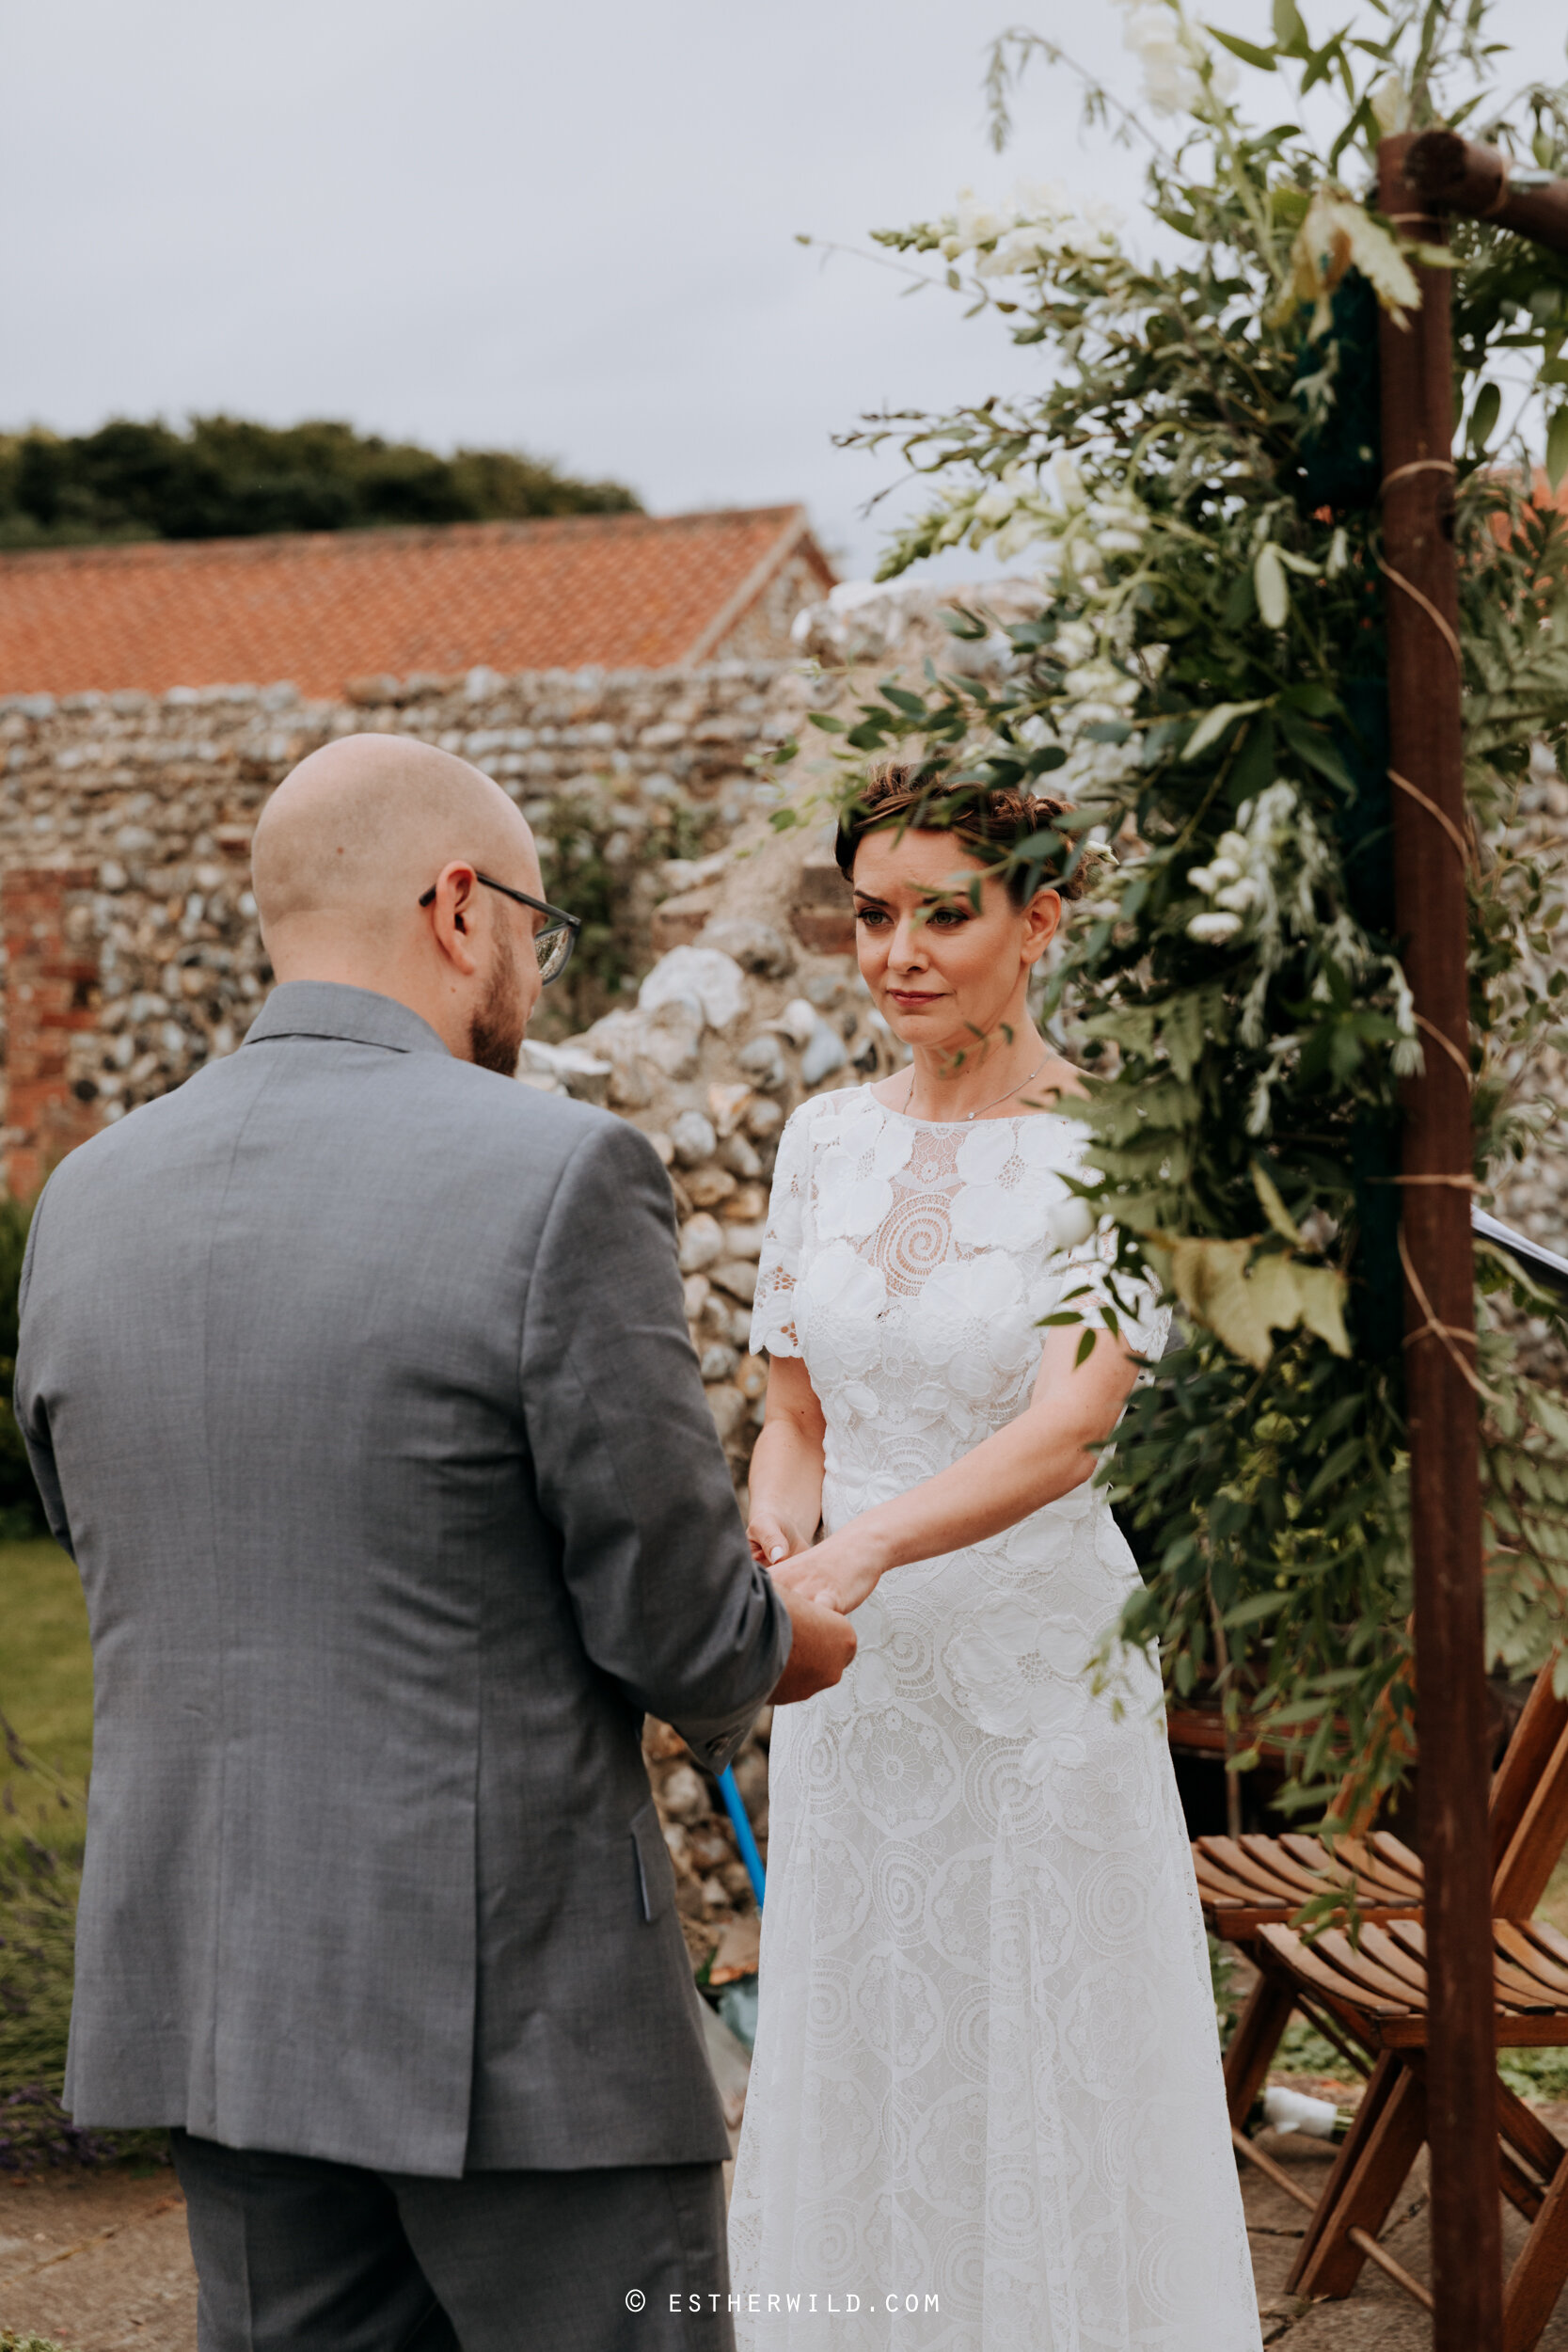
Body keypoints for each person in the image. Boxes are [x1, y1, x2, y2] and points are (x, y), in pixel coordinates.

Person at [14, 734, 855, 2352]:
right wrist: (795, 1637)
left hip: (217, 1990)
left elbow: (113, 1545)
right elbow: (677, 1622)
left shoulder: (86, 1198)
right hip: (513, 2020)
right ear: (460, 909)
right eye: (539, 928)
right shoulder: (558, 1174)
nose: (535, 971)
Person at [727, 770, 1259, 2350]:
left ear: (1042, 919)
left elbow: (1069, 1431)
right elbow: (796, 1411)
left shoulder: (1112, 1147)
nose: (897, 951)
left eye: (944, 914)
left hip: (1032, 1679)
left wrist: (866, 1546)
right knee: (877, 2038)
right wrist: (782, 1520)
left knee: (1045, 2049)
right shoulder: (821, 1142)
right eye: (873, 915)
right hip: (858, 1686)